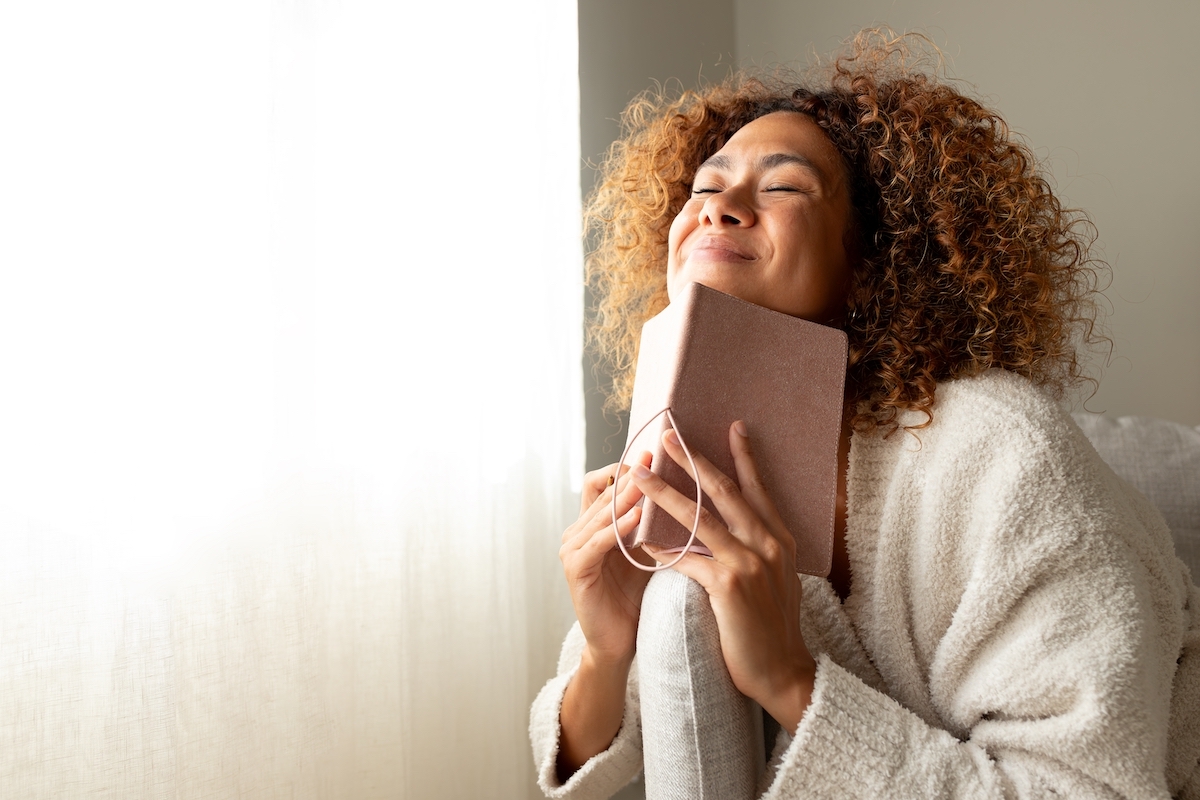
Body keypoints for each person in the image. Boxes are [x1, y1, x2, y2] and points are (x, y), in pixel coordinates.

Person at [530, 31, 1200, 799]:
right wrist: (606, 654)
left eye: (782, 188)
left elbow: (1090, 789)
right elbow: (590, 753)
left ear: (875, 259)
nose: (719, 209)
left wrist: (788, 676)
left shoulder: (1001, 451)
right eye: (702, 189)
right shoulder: (698, 435)